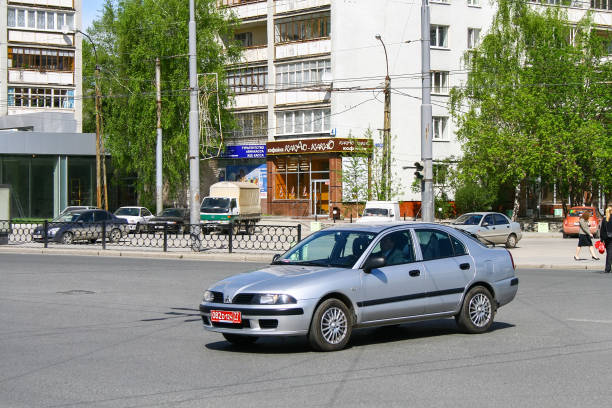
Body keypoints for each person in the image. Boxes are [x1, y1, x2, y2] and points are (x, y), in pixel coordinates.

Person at [600, 205, 612, 273]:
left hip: (607, 238)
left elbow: (602, 230)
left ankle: (607, 268)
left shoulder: (605, 219)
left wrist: (601, 240)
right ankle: (608, 268)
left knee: (609, 253)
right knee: (610, 253)